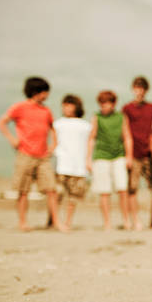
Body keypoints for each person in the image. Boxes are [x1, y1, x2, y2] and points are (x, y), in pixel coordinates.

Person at [0, 77, 67, 232]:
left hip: (43, 157)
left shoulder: (46, 111)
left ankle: (56, 222)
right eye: (45, 92)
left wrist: (53, 145)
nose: (47, 95)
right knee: (23, 190)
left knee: (51, 189)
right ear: (36, 92)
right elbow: (1, 122)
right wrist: (12, 139)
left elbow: (52, 129)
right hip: (25, 154)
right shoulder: (19, 108)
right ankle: (23, 222)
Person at [87, 90, 133, 230]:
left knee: (122, 189)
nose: (103, 107)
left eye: (106, 103)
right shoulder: (97, 117)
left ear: (113, 104)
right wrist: (88, 159)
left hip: (119, 156)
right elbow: (92, 138)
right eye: (101, 104)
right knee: (104, 191)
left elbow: (127, 137)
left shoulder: (121, 117)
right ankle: (107, 222)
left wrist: (129, 156)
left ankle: (126, 220)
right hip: (101, 156)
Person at [122, 76, 152, 231]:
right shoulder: (127, 109)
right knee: (132, 188)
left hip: (149, 154)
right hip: (134, 153)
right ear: (133, 89)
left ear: (146, 91)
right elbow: (124, 130)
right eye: (136, 88)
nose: (139, 92)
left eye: (142, 89)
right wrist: (128, 154)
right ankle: (135, 220)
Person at [52, 95, 92, 230]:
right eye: (64, 105)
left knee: (72, 198)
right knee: (56, 195)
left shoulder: (86, 126)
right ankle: (54, 220)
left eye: (69, 105)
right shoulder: (58, 123)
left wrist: (88, 161)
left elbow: (89, 144)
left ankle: (68, 222)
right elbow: (53, 142)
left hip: (78, 167)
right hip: (61, 165)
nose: (66, 108)